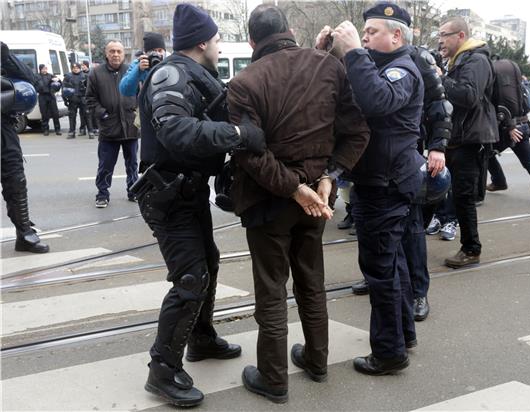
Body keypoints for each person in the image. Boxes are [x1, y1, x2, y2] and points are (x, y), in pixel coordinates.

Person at [227, 5, 369, 403]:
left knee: (272, 290)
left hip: (269, 199)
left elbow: (249, 154)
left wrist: (293, 188)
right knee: (311, 280)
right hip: (316, 197)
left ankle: (274, 379)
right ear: (290, 31)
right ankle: (317, 360)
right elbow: (357, 131)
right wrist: (329, 176)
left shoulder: (243, 82)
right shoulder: (329, 67)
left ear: (252, 41)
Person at [135, 4, 268, 407]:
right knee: (190, 279)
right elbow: (174, 129)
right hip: (167, 196)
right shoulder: (172, 74)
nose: (219, 44)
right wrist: (238, 134)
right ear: (201, 42)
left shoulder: (197, 74)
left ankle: (202, 338)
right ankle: (162, 369)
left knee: (207, 264)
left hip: (187, 192)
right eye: (215, 39)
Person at [318, 2, 425, 376]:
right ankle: (402, 334)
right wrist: (327, 53)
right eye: (362, 34)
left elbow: (376, 101)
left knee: (380, 270)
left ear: (396, 35)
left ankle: (389, 352)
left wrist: (353, 53)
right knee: (392, 265)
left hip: (385, 186)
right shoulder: (380, 66)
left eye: (371, 32)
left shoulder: (403, 69)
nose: (363, 38)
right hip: (384, 182)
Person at [349, 42, 453, 324]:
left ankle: (419, 292)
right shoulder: (364, 55)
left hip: (405, 156)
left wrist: (438, 146)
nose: (368, 36)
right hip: (370, 159)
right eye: (366, 30)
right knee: (373, 229)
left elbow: (440, 103)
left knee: (411, 226)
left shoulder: (416, 57)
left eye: (374, 29)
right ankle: (379, 280)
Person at [438, 16, 499, 269]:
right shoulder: (458, 59)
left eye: (444, 35)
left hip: (469, 140)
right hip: (457, 138)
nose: (440, 40)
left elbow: (469, 96)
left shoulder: (476, 59)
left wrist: (440, 78)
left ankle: (471, 248)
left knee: (463, 197)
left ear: (460, 36)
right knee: (439, 190)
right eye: (439, 35)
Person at [486, 59, 530, 206]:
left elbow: (500, 109)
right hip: (523, 125)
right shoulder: (519, 88)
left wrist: (511, 126)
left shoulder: (498, 88)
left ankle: (499, 181)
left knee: (486, 154)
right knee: (529, 162)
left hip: (508, 130)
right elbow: (529, 105)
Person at [1, 42, 49, 253]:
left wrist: (5, 56)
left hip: (3, 128)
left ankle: (25, 235)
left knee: (15, 180)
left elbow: (34, 81)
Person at [86, 40, 139, 208]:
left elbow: (141, 94)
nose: (116, 54)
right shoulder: (96, 73)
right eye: (112, 51)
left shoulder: (132, 71)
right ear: (106, 54)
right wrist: (103, 113)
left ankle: (133, 191)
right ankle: (102, 194)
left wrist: (137, 112)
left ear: (124, 54)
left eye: (119, 51)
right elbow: (89, 99)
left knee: (132, 165)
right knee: (106, 165)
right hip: (109, 129)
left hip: (130, 127)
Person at [119, 32, 166, 97]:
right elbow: (125, 91)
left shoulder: (169, 63)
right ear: (145, 53)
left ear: (165, 51)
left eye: (160, 50)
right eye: (153, 51)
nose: (157, 54)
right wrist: (138, 70)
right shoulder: (138, 65)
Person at [62, 62, 88, 139]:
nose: (75, 69)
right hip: (72, 99)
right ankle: (71, 132)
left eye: (77, 68)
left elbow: (90, 87)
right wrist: (65, 99)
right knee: (72, 116)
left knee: (84, 115)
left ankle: (83, 129)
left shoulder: (85, 76)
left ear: (79, 68)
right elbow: (64, 88)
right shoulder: (68, 76)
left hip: (82, 98)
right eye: (74, 68)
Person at [34, 64, 61, 136]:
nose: (44, 70)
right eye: (43, 69)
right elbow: (34, 85)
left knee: (55, 113)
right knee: (44, 114)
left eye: (45, 69)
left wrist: (58, 80)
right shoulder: (37, 76)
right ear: (40, 69)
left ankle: (57, 129)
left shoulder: (51, 76)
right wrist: (38, 89)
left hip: (51, 95)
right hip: (42, 96)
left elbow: (59, 83)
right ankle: (45, 130)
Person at [81, 60, 98, 136]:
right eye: (82, 65)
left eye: (84, 65)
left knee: (92, 113)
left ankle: (94, 128)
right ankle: (83, 128)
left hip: (91, 95)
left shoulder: (91, 73)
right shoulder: (81, 74)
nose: (83, 67)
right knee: (83, 114)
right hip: (82, 96)